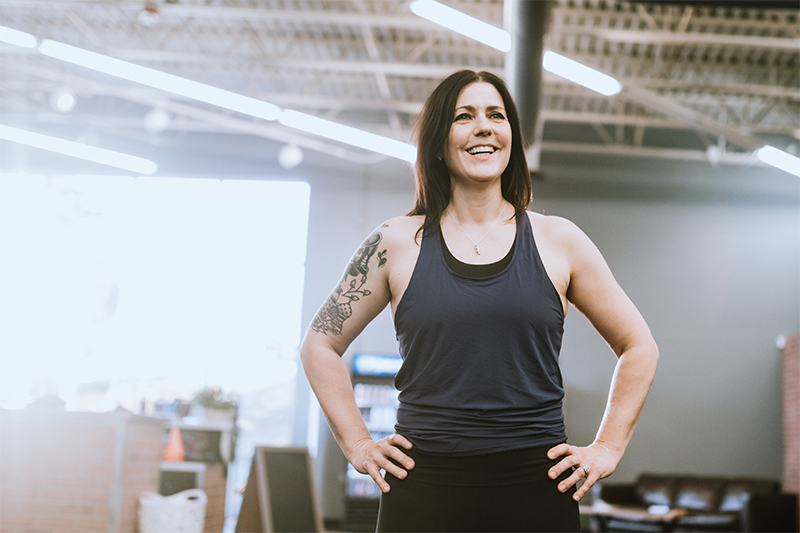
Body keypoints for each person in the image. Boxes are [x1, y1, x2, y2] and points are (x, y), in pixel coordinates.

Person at [300, 69, 659, 532]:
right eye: (463, 116)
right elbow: (319, 346)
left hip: (536, 484)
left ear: (511, 135)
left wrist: (608, 447)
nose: (484, 127)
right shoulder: (395, 242)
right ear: (438, 140)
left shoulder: (559, 240)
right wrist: (358, 444)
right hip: (423, 484)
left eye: (496, 115)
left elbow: (639, 346)